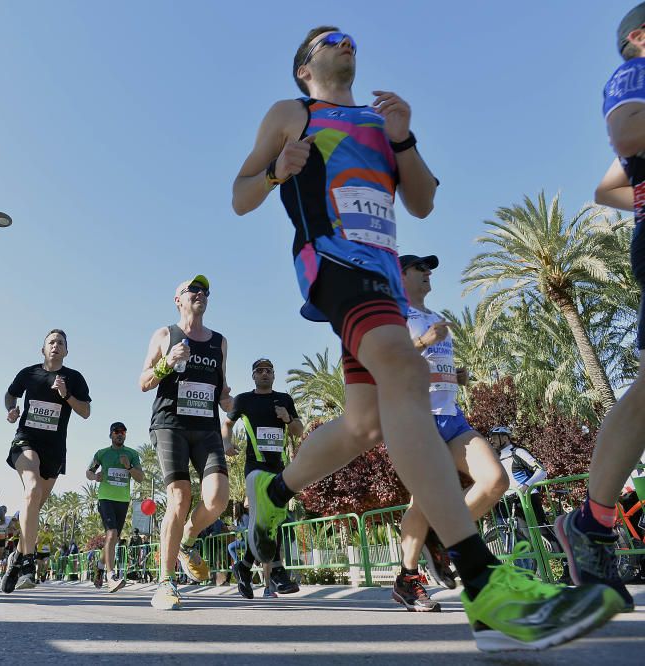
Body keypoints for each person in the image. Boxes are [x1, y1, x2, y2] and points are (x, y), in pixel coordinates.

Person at [231, 26, 622, 650]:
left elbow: (423, 202)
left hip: (383, 276)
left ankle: (272, 493)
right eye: (332, 38)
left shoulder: (381, 118)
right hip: (333, 262)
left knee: (365, 426)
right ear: (306, 65)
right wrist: (277, 170)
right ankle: (483, 584)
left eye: (352, 36)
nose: (347, 42)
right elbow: (239, 196)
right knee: (408, 375)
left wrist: (404, 137)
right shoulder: (292, 112)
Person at [555, 3, 645, 616]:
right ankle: (591, 520)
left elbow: (609, 183)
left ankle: (590, 521)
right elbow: (628, 134)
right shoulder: (633, 74)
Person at [393, 255, 510, 613]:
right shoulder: (394, 315)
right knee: (423, 502)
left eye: (429, 269)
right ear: (400, 276)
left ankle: (443, 537)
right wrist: (424, 343)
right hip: (417, 419)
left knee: (495, 481)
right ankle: (408, 579)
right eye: (419, 269)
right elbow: (388, 360)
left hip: (452, 416)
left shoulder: (435, 319)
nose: (428, 274)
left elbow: (428, 368)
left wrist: (453, 375)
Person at [140, 274, 233, 610]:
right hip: (170, 424)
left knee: (219, 498)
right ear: (178, 299)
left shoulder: (219, 342)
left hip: (205, 427)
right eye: (193, 290)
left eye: (205, 291)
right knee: (179, 497)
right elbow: (143, 381)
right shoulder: (165, 334)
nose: (201, 294)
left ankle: (187, 539)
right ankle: (165, 583)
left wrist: (231, 404)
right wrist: (167, 362)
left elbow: (222, 390)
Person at [3, 329, 91, 593]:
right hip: (26, 440)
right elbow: (11, 394)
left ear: (66, 351)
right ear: (43, 349)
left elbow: (86, 412)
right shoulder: (29, 373)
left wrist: (67, 395)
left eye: (60, 343)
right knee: (32, 489)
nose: (55, 346)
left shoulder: (74, 378)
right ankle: (28, 563)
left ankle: (16, 557)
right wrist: (10, 409)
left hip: (54, 449)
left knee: (34, 505)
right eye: (51, 342)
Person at [223, 358, 304, 599]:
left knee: (269, 519)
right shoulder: (244, 400)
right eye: (260, 371)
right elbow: (227, 423)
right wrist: (226, 442)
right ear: (253, 376)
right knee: (269, 517)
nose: (265, 374)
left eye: (269, 370)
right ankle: (278, 572)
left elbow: (299, 431)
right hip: (255, 467)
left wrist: (288, 419)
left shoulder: (284, 400)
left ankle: (245, 567)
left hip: (278, 467)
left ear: (274, 375)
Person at [87, 421, 144, 592]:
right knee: (111, 534)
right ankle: (110, 576)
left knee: (114, 539)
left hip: (123, 500)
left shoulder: (132, 454)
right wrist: (94, 477)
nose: (120, 434)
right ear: (111, 434)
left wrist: (129, 466)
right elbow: (88, 472)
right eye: (116, 431)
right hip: (105, 498)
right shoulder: (102, 453)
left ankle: (99, 566)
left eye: (123, 432)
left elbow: (140, 477)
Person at [489, 427, 561, 553]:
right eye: (491, 438)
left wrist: (526, 485)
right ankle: (539, 569)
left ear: (505, 438)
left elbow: (542, 471)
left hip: (528, 496)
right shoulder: (497, 458)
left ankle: (567, 564)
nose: (491, 440)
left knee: (542, 531)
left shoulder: (518, 452)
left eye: (494, 437)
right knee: (526, 537)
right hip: (511, 500)